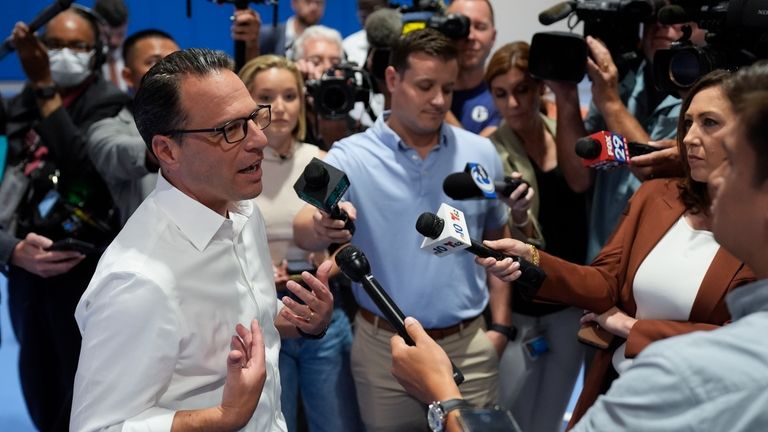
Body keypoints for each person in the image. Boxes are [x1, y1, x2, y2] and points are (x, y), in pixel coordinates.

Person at [390, 61, 768, 432]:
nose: (688, 138)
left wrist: (635, 328)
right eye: (688, 122)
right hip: (618, 380)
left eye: (710, 123)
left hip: (704, 403)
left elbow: (743, 338)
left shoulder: (752, 231)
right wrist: (531, 258)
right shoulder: (657, 195)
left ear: (751, 139)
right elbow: (604, 281)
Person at [70, 48, 335, 431]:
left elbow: (246, 316)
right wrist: (222, 417)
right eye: (229, 130)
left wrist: (302, 321)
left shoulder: (244, 211)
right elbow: (97, 428)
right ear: (166, 150)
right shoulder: (137, 282)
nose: (259, 140)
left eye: (253, 118)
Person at [294, 29, 511, 431]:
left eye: (448, 88)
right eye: (425, 86)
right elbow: (303, 229)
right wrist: (323, 223)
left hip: (469, 346)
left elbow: (496, 239)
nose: (439, 100)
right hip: (385, 349)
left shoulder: (480, 152)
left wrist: (499, 327)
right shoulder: (350, 154)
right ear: (393, 80)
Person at [4, 6, 128, 430]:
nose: (63, 55)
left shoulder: (109, 104)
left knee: (83, 392)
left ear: (97, 53)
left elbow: (80, 167)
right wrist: (13, 251)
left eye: (77, 46)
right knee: (38, 381)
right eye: (53, 45)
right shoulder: (20, 104)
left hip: (85, 272)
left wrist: (43, 84)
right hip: (24, 270)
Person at [239, 54, 362, 432]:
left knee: (335, 425)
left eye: (290, 95)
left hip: (319, 307)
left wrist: (327, 266)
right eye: (267, 95)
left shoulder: (320, 160)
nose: (280, 106)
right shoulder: (236, 166)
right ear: (246, 101)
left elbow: (346, 246)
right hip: (256, 316)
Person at [485, 41, 588, 432]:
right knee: (510, 415)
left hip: (568, 300)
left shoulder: (567, 127)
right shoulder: (491, 150)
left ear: (539, 87)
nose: (513, 103)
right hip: (523, 305)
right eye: (501, 94)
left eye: (521, 89)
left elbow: (582, 185)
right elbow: (496, 234)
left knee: (550, 418)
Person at [551, 12, 705, 261]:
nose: (662, 24)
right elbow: (578, 178)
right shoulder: (618, 81)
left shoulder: (706, 94)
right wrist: (565, 95)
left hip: (663, 261)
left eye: (674, 14)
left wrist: (611, 104)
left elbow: (651, 171)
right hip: (602, 257)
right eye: (653, 15)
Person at [87, 29, 180, 225]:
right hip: (147, 248)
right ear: (128, 76)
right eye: (153, 62)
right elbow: (118, 153)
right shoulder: (106, 128)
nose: (169, 70)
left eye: (175, 61)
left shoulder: (207, 118)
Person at [292, 25, 360, 149]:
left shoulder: (359, 132)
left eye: (335, 63)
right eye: (316, 62)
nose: (327, 68)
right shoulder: (286, 127)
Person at [444, 0, 500, 136]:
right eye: (460, 25)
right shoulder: (415, 90)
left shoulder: (503, 96)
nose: (470, 36)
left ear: (493, 37)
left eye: (480, 27)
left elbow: (476, 156)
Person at [260, 0, 326, 57]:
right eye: (307, 1)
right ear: (294, 3)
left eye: (318, 2)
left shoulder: (328, 40)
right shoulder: (268, 35)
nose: (314, 7)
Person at [94, 0, 130, 91]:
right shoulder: (86, 59)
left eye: (120, 34)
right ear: (95, 25)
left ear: (126, 24)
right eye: (107, 35)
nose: (113, 42)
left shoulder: (133, 57)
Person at [342, 0, 389, 67]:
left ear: (387, 8)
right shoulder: (348, 45)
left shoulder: (401, 41)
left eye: (375, 8)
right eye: (362, 9)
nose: (365, 14)